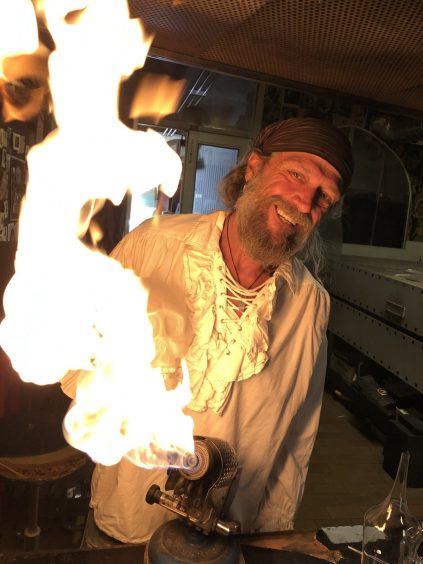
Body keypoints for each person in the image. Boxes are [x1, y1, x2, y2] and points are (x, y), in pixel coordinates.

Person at [62, 117, 353, 546]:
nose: (304, 202)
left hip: (227, 538)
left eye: (323, 197)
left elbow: (296, 441)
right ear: (253, 168)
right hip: (127, 523)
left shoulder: (309, 305)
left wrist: (270, 538)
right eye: (296, 174)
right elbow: (76, 369)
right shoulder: (150, 248)